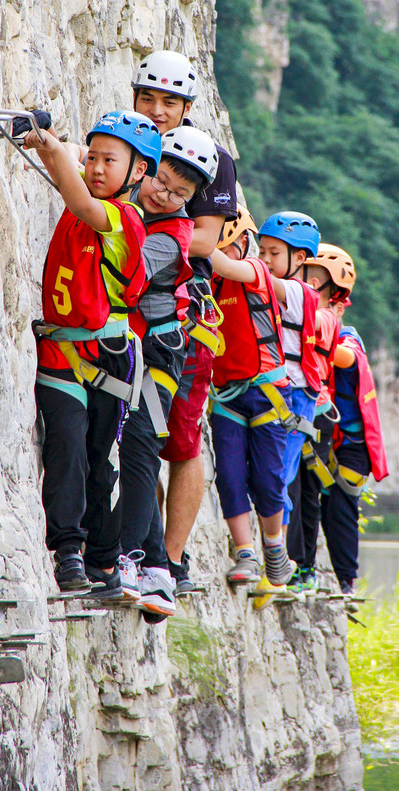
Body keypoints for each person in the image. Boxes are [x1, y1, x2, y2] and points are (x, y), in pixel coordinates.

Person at [23, 110, 161, 595]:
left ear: (138, 171)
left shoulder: (125, 218)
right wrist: (51, 141)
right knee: (66, 448)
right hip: (61, 350)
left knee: (99, 462)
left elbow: (80, 203)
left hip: (109, 356)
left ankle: (103, 560)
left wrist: (51, 147)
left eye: (110, 161)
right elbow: (75, 162)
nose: (98, 168)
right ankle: (67, 552)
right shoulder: (88, 178)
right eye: (94, 158)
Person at [131, 50, 238, 593]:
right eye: (147, 98)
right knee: (137, 434)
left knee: (182, 439)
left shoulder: (210, 158)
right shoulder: (130, 141)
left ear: (187, 108)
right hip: (126, 306)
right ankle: (146, 550)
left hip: (183, 313)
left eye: (168, 102)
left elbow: (204, 239)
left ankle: (170, 560)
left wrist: (136, 227)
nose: (157, 110)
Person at [118, 126, 219, 619]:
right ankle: (155, 565)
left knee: (142, 444)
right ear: (144, 168)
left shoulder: (175, 232)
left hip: (159, 355)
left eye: (179, 194)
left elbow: (126, 265)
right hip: (126, 346)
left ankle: (138, 559)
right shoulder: (128, 197)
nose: (164, 195)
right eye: (160, 181)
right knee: (129, 446)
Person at [288, 244, 389, 594]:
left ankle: (346, 580)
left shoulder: (347, 337)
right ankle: (304, 569)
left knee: (340, 506)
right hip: (322, 435)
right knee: (307, 494)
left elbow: (346, 358)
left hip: (350, 446)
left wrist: (317, 340)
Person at [208, 208, 295, 602]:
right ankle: (246, 553)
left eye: (225, 244)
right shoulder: (209, 281)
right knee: (229, 476)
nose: (220, 252)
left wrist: (191, 235)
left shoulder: (255, 270)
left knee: (267, 480)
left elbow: (226, 264)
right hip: (227, 395)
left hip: (267, 392)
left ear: (243, 243)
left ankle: (274, 547)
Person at [256, 212, 333, 538]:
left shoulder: (298, 292)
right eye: (262, 251)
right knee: (269, 476)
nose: (265, 259)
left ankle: (278, 555)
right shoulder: (273, 289)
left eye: (274, 253)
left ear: (300, 258)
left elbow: (261, 280)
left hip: (297, 395)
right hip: (273, 388)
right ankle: (275, 553)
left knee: (278, 476)